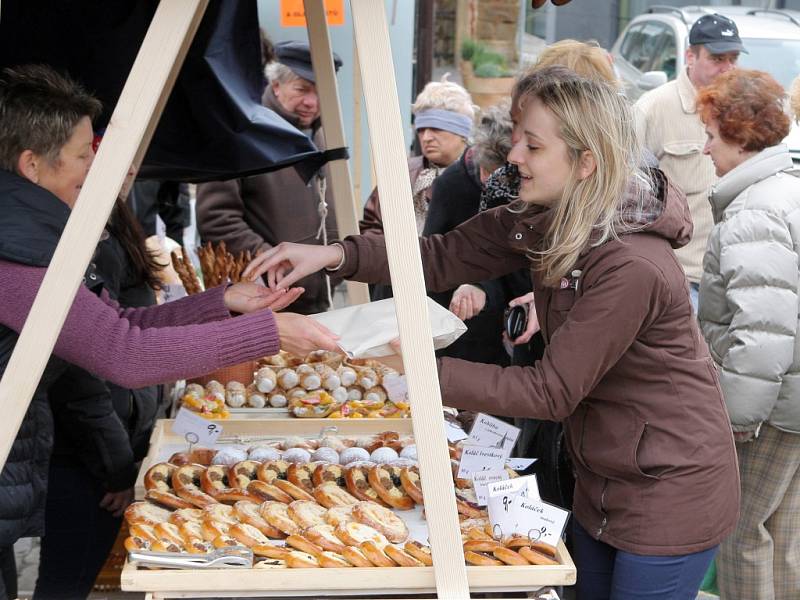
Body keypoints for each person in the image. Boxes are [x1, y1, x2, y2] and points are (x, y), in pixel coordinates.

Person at [246, 66, 740, 600]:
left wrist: (421, 370)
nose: (513, 157)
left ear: (585, 162)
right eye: (516, 141)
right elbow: (441, 255)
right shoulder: (548, 216)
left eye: (532, 145)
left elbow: (549, 391)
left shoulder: (632, 263)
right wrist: (334, 254)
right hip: (605, 473)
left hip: (671, 484)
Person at [0, 64, 338, 600]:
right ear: (33, 164)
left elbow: (120, 324)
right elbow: (123, 354)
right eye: (87, 153)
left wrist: (221, 301)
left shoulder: (39, 235)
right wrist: (264, 334)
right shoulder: (16, 254)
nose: (100, 166)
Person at [34, 153, 165, 598]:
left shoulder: (113, 220)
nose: (127, 166)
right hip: (84, 451)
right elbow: (80, 374)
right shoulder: (77, 234)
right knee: (65, 581)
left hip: (106, 437)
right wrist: (117, 470)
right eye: (95, 150)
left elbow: (134, 325)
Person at [695, 69, 800, 600]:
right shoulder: (786, 191)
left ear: (740, 136)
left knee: (741, 535)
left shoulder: (755, 210)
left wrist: (736, 418)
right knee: (782, 537)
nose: (705, 146)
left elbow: (762, 333)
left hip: (771, 408)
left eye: (711, 134)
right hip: (789, 403)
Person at [196, 40, 342, 315]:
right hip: (261, 302)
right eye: (302, 89)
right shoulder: (238, 136)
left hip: (321, 298)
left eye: (321, 92)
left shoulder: (326, 138)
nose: (312, 102)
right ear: (275, 86)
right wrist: (277, 261)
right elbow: (216, 218)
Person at [634, 13, 745, 310]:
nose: (729, 68)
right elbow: (626, 201)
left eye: (734, 58)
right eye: (718, 58)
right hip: (680, 280)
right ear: (690, 56)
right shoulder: (652, 110)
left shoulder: (742, 109)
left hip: (732, 277)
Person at [421, 101, 512, 366]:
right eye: (487, 172)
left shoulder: (534, 188)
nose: (490, 182)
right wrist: (474, 284)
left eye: (501, 176)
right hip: (463, 331)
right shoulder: (453, 184)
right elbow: (434, 258)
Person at [360, 74, 476, 237]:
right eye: (421, 130)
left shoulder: (481, 177)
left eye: (436, 128)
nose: (426, 137)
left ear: (462, 132)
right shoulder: (401, 172)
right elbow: (372, 227)